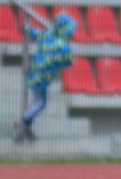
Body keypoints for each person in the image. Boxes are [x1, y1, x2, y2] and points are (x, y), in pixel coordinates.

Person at [13, 11, 77, 142]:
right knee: (41, 103)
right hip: (43, 78)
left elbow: (34, 33)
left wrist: (27, 28)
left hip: (34, 72)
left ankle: (27, 125)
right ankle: (23, 122)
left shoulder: (46, 36)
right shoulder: (63, 46)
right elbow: (68, 61)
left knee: (37, 101)